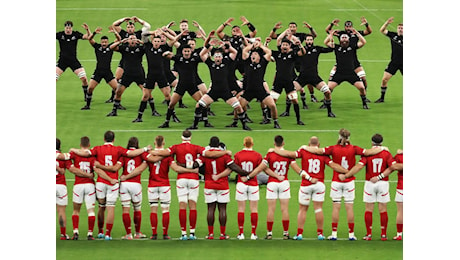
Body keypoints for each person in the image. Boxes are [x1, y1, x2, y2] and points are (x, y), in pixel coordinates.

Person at [301, 128, 385, 240]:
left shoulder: (332, 148)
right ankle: (351, 234)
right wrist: (382, 148)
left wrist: (305, 147)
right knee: (349, 207)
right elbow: (369, 152)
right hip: (349, 181)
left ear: (339, 137)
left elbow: (317, 151)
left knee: (336, 207)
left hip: (336, 181)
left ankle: (334, 234)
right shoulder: (354, 148)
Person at [69, 131, 151, 240]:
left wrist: (73, 150)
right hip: (114, 183)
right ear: (113, 139)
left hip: (100, 182)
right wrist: (145, 149)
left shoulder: (97, 149)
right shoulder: (118, 150)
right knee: (111, 208)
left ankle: (100, 232)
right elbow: (130, 154)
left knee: (101, 207)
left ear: (104, 139)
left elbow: (85, 154)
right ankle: (108, 234)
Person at [150, 130, 230, 240]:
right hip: (193, 180)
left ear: (181, 137)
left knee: (182, 205)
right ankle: (192, 233)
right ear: (190, 137)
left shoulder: (176, 147)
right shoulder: (196, 147)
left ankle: (183, 233)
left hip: (181, 179)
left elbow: (163, 153)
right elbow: (210, 154)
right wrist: (224, 152)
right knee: (193, 205)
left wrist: (151, 151)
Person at [268, 136, 347, 240]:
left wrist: (274, 150)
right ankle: (320, 234)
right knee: (318, 209)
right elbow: (334, 166)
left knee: (303, 209)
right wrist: (347, 172)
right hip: (319, 184)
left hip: (306, 184)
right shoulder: (323, 155)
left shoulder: (304, 151)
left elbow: (290, 154)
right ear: (318, 145)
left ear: (309, 144)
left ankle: (299, 234)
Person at [187, 31, 249, 130]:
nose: (218, 58)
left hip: (226, 91)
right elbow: (202, 54)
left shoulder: (226, 62)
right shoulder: (210, 64)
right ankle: (195, 126)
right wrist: (209, 44)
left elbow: (235, 52)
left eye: (219, 56)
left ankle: (244, 126)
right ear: (214, 58)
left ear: (222, 57)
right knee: (199, 105)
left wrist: (226, 45)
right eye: (216, 57)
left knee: (238, 107)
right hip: (213, 91)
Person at [339, 134, 396, 241]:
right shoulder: (386, 153)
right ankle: (383, 234)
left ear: (372, 142)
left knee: (369, 209)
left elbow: (359, 167)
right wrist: (380, 176)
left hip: (370, 183)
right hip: (383, 183)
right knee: (383, 209)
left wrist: (347, 175)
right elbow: (392, 167)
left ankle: (369, 234)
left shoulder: (368, 154)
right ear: (381, 143)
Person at [243, 135, 294, 239]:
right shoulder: (288, 154)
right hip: (284, 182)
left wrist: (248, 176)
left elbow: (260, 168)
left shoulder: (270, 154)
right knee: (284, 209)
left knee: (271, 209)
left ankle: (269, 233)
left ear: (274, 143)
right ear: (283, 143)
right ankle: (286, 233)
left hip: (272, 183)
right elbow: (295, 167)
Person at [200, 137, 248, 240]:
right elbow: (234, 167)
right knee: (222, 209)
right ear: (218, 145)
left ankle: (210, 234)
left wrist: (206, 174)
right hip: (222, 185)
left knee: (210, 209)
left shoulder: (205, 155)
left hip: (209, 184)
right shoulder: (225, 156)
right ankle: (222, 234)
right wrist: (247, 173)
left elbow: (198, 167)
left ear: (209, 144)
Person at [288, 34, 335, 117]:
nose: (309, 42)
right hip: (302, 77)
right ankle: (287, 111)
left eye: (311, 40)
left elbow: (330, 49)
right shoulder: (300, 50)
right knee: (290, 92)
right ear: (305, 41)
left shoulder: (317, 49)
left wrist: (331, 39)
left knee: (327, 92)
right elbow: (290, 51)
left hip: (314, 77)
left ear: (313, 41)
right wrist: (292, 40)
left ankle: (329, 112)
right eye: (308, 40)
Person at [158, 43, 204, 128]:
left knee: (202, 103)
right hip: (181, 85)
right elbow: (165, 56)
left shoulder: (195, 59)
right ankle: (166, 122)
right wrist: (167, 53)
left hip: (192, 85)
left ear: (191, 51)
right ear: (182, 52)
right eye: (185, 51)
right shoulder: (178, 58)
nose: (186, 53)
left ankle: (202, 122)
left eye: (188, 51)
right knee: (171, 104)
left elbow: (204, 57)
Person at [324, 27, 370, 110]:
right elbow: (325, 42)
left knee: (362, 88)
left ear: (348, 39)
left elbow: (363, 42)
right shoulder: (336, 47)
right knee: (328, 89)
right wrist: (331, 34)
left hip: (351, 73)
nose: (344, 39)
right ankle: (325, 104)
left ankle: (364, 103)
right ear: (340, 39)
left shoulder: (352, 47)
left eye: (345, 37)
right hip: (339, 73)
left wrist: (358, 34)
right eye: (342, 37)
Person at [239, 39, 281, 129]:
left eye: (255, 54)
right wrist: (253, 46)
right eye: (252, 54)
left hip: (260, 90)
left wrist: (260, 45)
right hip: (248, 91)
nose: (253, 55)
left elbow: (269, 52)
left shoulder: (263, 63)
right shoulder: (247, 63)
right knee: (238, 106)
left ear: (259, 57)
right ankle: (238, 122)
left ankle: (276, 122)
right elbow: (245, 51)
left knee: (272, 105)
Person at [269, 30, 306, 125]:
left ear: (289, 46)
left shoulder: (292, 54)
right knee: (272, 102)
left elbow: (303, 53)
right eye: (283, 45)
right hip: (278, 81)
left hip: (289, 82)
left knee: (295, 100)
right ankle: (268, 119)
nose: (284, 46)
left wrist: (300, 45)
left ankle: (298, 120)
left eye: (286, 45)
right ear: (281, 46)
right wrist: (266, 43)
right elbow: (266, 52)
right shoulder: (277, 55)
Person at [81, 26, 120, 110]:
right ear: (100, 42)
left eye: (105, 42)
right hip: (98, 72)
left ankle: (118, 104)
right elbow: (90, 39)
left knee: (117, 89)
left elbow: (119, 40)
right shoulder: (97, 47)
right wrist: (94, 33)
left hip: (107, 72)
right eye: (103, 42)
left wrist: (115, 32)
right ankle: (87, 105)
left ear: (108, 42)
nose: (104, 43)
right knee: (90, 88)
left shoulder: (111, 47)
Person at [66, 136, 97, 240]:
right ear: (89, 145)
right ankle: (90, 234)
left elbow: (72, 169)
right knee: (91, 211)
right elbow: (96, 168)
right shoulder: (93, 155)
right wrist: (89, 175)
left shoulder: (74, 154)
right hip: (90, 186)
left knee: (76, 210)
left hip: (78, 185)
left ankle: (75, 232)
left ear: (80, 145)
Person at [107, 35, 145, 117]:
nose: (132, 40)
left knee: (146, 93)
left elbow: (149, 47)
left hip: (139, 74)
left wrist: (141, 42)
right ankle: (114, 111)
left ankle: (153, 110)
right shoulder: (124, 48)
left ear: (136, 41)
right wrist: (120, 41)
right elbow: (111, 47)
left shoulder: (141, 49)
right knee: (118, 92)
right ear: (127, 40)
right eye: (131, 39)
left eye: (134, 39)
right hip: (127, 74)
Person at [233, 137, 263, 240]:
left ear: (244, 143)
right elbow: (260, 169)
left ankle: (241, 233)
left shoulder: (238, 155)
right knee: (254, 209)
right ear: (252, 144)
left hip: (241, 183)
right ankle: (253, 233)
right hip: (253, 184)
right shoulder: (257, 155)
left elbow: (235, 167)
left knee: (241, 209)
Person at [370, 150, 403, 240]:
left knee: (401, 211)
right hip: (400, 187)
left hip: (402, 187)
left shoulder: (399, 156)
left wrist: (379, 177)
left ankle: (399, 234)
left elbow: (392, 167)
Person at [56, 21, 89, 101]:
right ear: (65, 28)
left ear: (72, 28)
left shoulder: (75, 34)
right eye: (67, 28)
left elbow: (87, 37)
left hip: (73, 61)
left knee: (84, 78)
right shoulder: (60, 35)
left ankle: (87, 96)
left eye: (69, 28)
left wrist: (87, 30)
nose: (68, 29)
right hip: (62, 61)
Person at [375, 17, 403, 103]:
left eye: (402, 28)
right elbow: (382, 30)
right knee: (384, 79)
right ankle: (382, 98)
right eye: (399, 28)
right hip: (394, 62)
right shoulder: (393, 35)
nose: (400, 29)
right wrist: (387, 23)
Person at [56, 138, 70, 240]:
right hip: (60, 186)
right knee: (61, 211)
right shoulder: (62, 157)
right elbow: (63, 171)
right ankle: (63, 234)